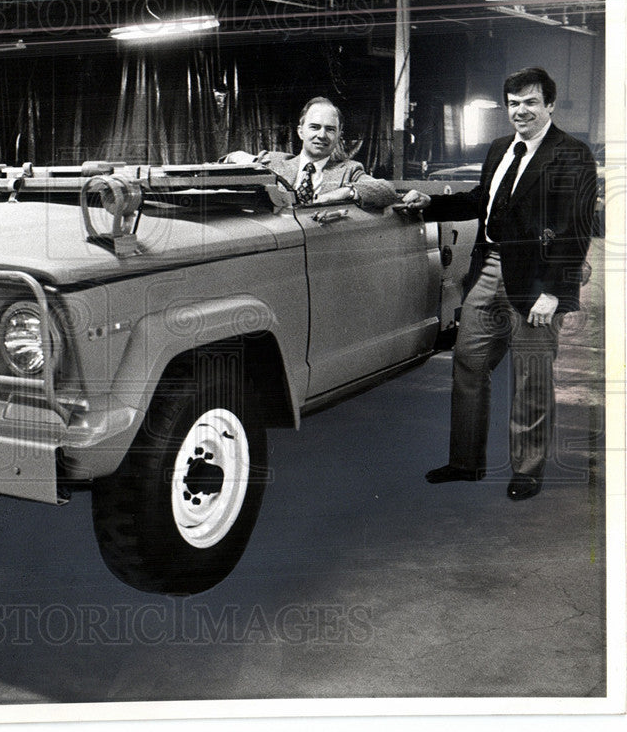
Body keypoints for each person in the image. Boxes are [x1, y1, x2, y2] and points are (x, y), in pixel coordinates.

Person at [401, 67, 597, 500]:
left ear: (549, 105)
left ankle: (527, 470)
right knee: (469, 364)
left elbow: (576, 228)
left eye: (529, 102)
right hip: (488, 267)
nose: (519, 111)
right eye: (513, 103)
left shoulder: (572, 154)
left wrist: (555, 291)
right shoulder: (498, 149)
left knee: (531, 374)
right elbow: (480, 201)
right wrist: (430, 202)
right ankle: (465, 462)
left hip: (536, 280)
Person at [224, 96, 399, 212]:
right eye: (314, 127)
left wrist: (340, 194)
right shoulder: (274, 162)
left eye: (330, 129)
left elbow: (386, 190)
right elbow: (224, 162)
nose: (322, 135)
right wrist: (239, 157)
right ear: (300, 132)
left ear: (339, 136)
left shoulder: (349, 171)